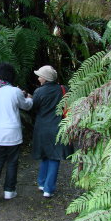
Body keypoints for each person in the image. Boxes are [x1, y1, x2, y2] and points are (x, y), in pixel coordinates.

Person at [0, 62, 33, 202]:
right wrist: (29, 98)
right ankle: (9, 191)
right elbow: (26, 106)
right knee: (12, 161)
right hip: (12, 132)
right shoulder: (14, 91)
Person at [32, 65, 67, 198]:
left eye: (40, 76)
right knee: (54, 157)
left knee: (45, 155)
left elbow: (34, 106)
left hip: (42, 128)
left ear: (45, 78)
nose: (38, 78)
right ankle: (48, 188)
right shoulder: (63, 89)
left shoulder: (39, 92)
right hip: (58, 127)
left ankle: (42, 183)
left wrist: (29, 97)